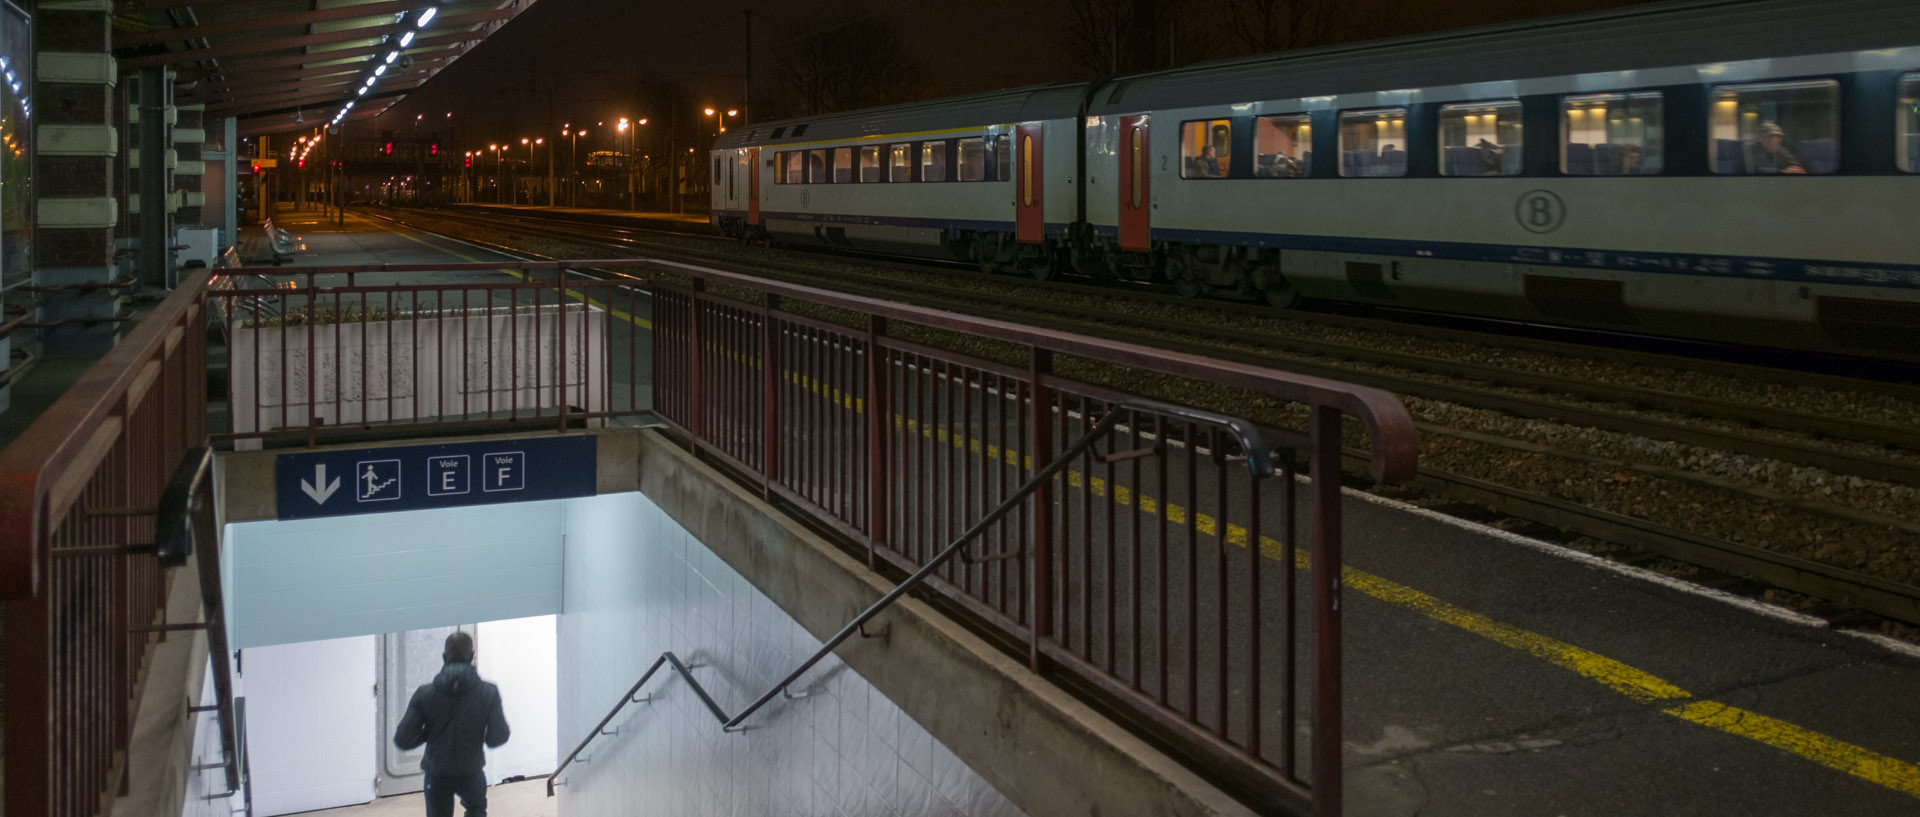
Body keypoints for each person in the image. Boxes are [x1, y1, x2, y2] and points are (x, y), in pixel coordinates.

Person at [394, 632, 510, 817]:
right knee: (476, 811)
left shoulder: (425, 694)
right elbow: (499, 736)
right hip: (471, 770)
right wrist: (482, 736)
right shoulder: (488, 693)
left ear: (444, 657)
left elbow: (403, 739)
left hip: (437, 773)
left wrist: (428, 734)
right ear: (472, 656)